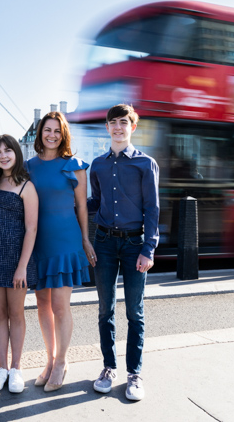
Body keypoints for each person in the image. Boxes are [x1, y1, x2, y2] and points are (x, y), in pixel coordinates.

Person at [88, 104, 159, 401]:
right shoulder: (98, 164)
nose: (118, 127)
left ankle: (134, 374)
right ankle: (108, 367)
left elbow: (152, 210)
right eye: (112, 122)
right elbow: (95, 204)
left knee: (135, 312)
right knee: (105, 310)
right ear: (106, 128)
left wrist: (148, 249)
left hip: (133, 246)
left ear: (132, 127)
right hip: (104, 243)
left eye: (123, 122)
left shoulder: (146, 164)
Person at [26, 111, 95, 392]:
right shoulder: (27, 166)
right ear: (40, 133)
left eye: (57, 130)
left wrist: (86, 241)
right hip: (38, 242)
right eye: (47, 130)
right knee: (41, 304)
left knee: (59, 305)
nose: (51, 135)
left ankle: (62, 361)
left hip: (66, 241)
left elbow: (82, 207)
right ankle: (49, 359)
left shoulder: (75, 166)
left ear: (63, 134)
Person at [0, 135, 38, 393]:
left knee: (16, 313)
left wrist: (23, 266)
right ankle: (1, 368)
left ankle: (16, 368)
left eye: (8, 150)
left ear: (16, 154)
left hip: (16, 260)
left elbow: (32, 228)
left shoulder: (26, 186)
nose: (3, 155)